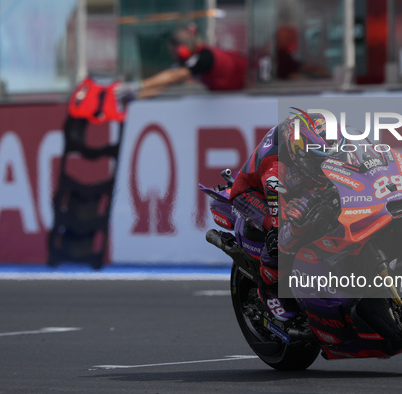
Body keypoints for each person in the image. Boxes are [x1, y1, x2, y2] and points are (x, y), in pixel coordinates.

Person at [229, 113, 337, 321]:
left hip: (299, 182)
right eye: (316, 160)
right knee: (284, 231)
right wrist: (291, 224)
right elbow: (283, 224)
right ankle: (270, 290)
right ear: (298, 152)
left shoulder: (323, 136)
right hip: (252, 192)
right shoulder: (275, 170)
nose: (323, 165)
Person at [116, 25, 247, 99]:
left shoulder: (206, 57)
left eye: (173, 51)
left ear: (181, 49)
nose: (173, 55)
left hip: (247, 91)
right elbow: (163, 85)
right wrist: (136, 96)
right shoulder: (191, 62)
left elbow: (174, 76)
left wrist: (138, 86)